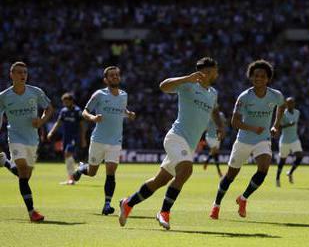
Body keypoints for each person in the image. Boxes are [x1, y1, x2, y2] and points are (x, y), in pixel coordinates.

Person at [118, 57, 225, 230]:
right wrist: (186, 78)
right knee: (186, 170)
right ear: (206, 72)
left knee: (159, 181)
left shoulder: (213, 93)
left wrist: (219, 125)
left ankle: (128, 203)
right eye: (215, 70)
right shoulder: (189, 85)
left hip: (188, 145)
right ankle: (164, 212)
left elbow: (215, 110)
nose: (217, 73)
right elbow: (163, 86)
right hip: (176, 137)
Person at [209, 59, 286, 219]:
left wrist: (275, 125)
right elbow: (234, 122)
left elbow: (282, 107)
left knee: (264, 168)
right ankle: (216, 205)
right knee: (230, 176)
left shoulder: (276, 95)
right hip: (243, 140)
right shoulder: (244, 97)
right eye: (255, 75)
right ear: (251, 77)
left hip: (263, 139)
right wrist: (252, 128)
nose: (258, 78)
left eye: (262, 76)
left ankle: (243, 198)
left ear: (268, 78)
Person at [72, 66, 135, 215]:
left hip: (115, 141)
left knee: (111, 172)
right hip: (98, 140)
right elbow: (84, 111)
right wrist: (93, 118)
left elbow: (122, 111)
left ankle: (107, 204)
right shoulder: (99, 94)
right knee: (92, 172)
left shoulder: (124, 95)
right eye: (111, 76)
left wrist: (129, 114)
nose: (115, 77)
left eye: (117, 75)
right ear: (105, 80)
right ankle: (82, 168)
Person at [0, 61, 53, 222]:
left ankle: (5, 162)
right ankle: (32, 212)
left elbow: (49, 108)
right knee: (23, 171)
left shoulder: (35, 92)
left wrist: (41, 121)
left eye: (25, 72)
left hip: (32, 139)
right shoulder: (3, 97)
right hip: (15, 137)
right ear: (12, 75)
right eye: (19, 72)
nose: (23, 75)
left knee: (25, 175)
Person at [47, 93, 87, 185]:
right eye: (63, 102)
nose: (65, 104)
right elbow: (58, 123)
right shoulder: (63, 111)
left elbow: (82, 125)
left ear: (71, 101)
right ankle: (72, 176)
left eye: (66, 102)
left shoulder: (77, 111)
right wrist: (51, 132)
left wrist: (83, 138)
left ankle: (72, 178)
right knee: (67, 156)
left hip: (74, 136)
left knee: (67, 153)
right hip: (66, 137)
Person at [276, 97, 303, 187]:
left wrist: (289, 124)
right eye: (289, 103)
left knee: (300, 156)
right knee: (282, 160)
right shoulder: (283, 114)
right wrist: (288, 125)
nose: (291, 104)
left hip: (294, 139)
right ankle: (277, 178)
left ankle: (290, 172)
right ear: (286, 104)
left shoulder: (297, 112)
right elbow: (278, 127)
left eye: (292, 102)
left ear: (294, 103)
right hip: (285, 140)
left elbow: (294, 124)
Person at [203, 110, 227, 177]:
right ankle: (218, 171)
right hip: (209, 136)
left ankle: (207, 161)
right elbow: (205, 127)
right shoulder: (208, 114)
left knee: (215, 153)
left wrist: (222, 133)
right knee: (215, 151)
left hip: (217, 137)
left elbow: (223, 124)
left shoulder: (221, 114)